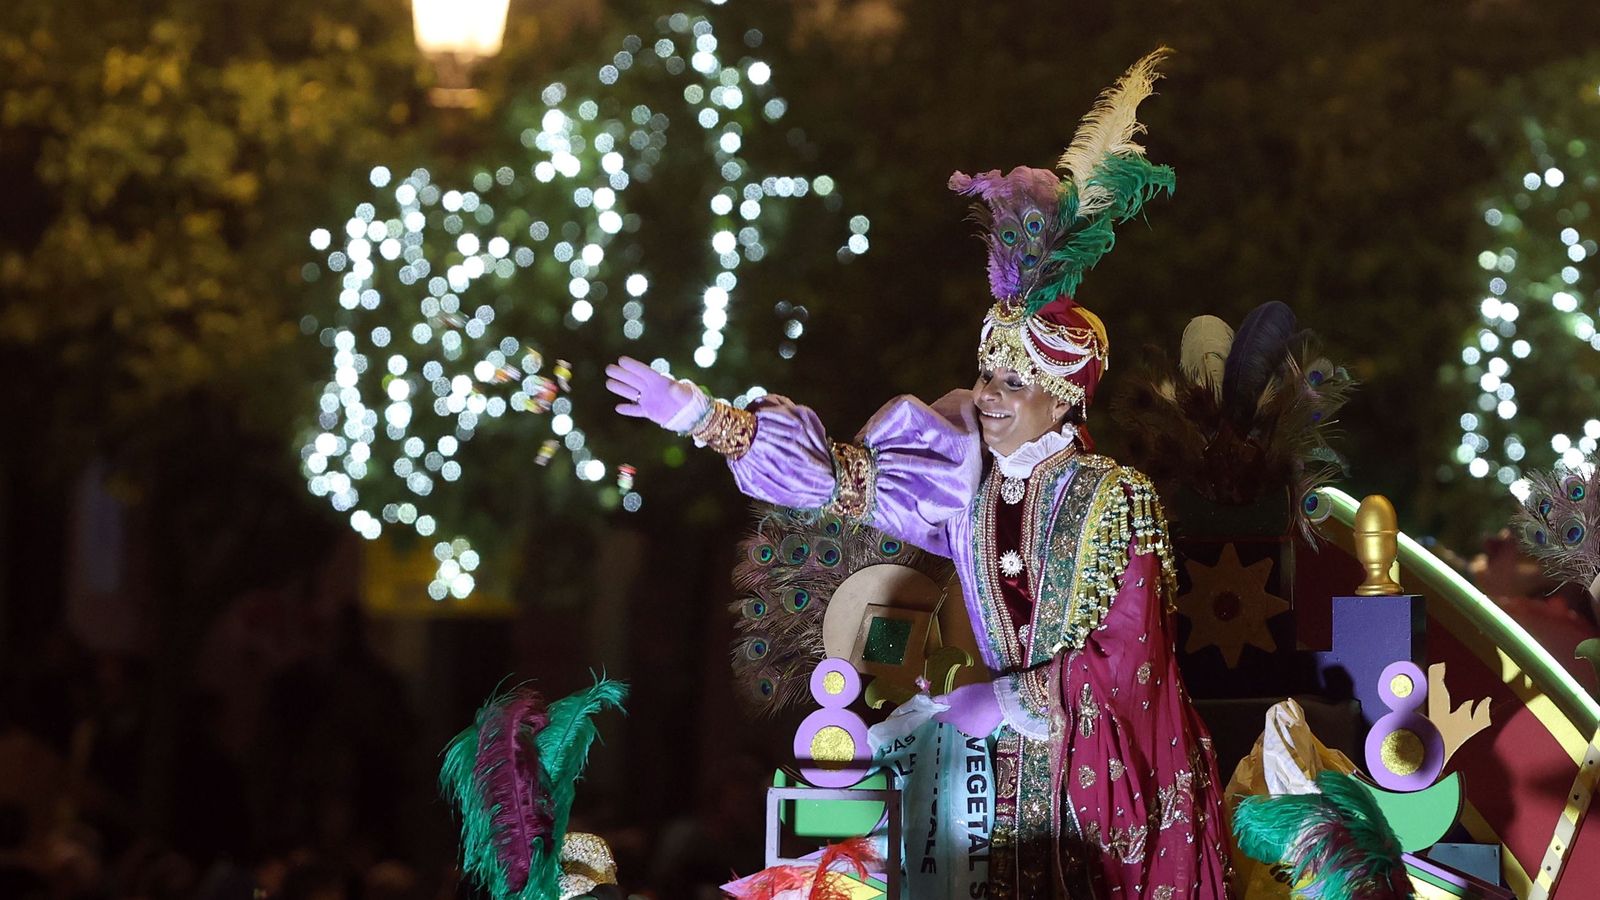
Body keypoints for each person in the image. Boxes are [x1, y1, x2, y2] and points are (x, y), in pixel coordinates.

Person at [607, 49, 1234, 900]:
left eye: (1015, 383)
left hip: (1113, 786)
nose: (989, 396)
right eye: (987, 377)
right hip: (996, 793)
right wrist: (703, 417)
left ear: (1065, 401)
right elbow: (840, 480)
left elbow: (1134, 655)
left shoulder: (1114, 498)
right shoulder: (966, 490)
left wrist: (1015, 704)